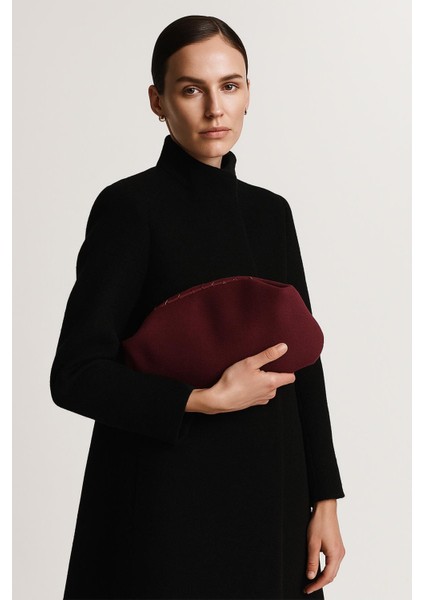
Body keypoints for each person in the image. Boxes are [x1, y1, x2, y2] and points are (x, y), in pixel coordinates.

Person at [50, 15, 345, 600]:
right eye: (191, 89)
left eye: (230, 85)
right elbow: (76, 374)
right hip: (167, 503)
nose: (215, 108)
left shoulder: (272, 214)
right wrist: (203, 399)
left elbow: (304, 362)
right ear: (158, 102)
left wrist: (326, 499)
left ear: (248, 93)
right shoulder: (129, 208)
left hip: (273, 493)